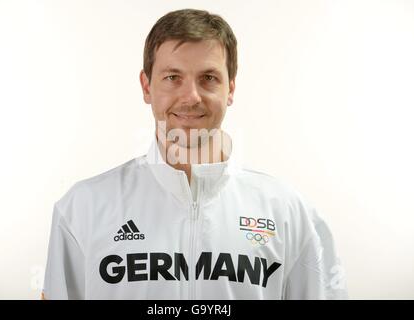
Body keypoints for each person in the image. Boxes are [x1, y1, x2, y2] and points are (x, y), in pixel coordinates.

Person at [42, 8, 348, 300]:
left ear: (230, 89)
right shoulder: (82, 209)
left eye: (209, 78)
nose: (190, 97)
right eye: (173, 77)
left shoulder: (289, 213)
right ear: (146, 86)